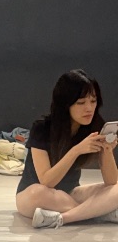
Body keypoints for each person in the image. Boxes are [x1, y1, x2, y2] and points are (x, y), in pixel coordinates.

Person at [16, 68, 118, 228]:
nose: (89, 108)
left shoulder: (93, 126)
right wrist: (76, 150)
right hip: (35, 194)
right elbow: (47, 181)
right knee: (38, 193)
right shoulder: (42, 129)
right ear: (65, 104)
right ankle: (98, 212)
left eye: (93, 101)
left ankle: (62, 218)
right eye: (81, 102)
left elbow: (111, 182)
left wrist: (107, 151)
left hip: (70, 194)